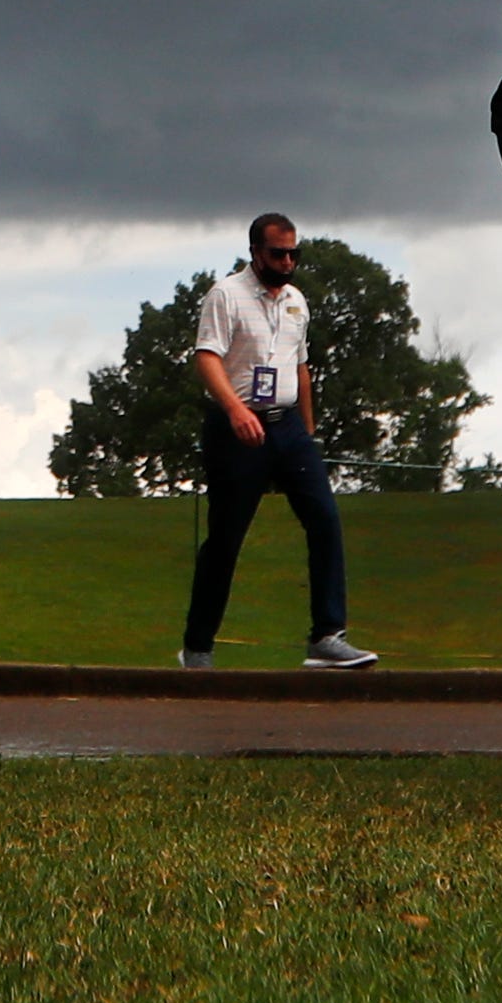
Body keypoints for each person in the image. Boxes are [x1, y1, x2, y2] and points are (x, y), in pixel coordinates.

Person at [179, 216, 380, 671]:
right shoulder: (226, 295)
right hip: (237, 427)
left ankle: (328, 636)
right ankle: (198, 647)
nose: (287, 262)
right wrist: (234, 409)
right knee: (226, 540)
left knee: (325, 520)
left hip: (287, 427)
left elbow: (301, 367)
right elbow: (207, 357)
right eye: (277, 254)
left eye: (293, 254)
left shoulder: (296, 302)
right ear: (255, 252)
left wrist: (307, 433)